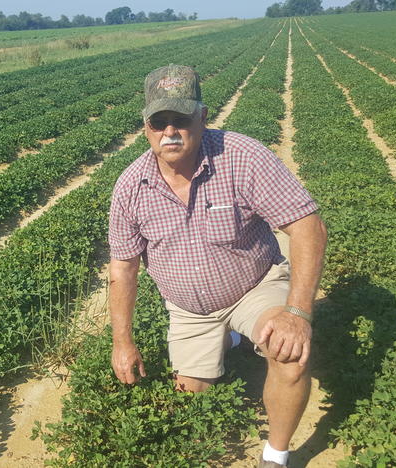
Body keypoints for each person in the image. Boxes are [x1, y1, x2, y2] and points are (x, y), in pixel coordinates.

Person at [108, 64, 327, 468]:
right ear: (145, 127)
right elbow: (122, 270)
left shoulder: (242, 157)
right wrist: (122, 342)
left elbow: (308, 227)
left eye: (181, 119)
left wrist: (297, 312)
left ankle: (276, 455)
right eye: (159, 122)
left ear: (203, 117)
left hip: (254, 285)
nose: (169, 132)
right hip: (190, 308)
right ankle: (228, 340)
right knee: (191, 396)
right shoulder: (130, 187)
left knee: (289, 353)